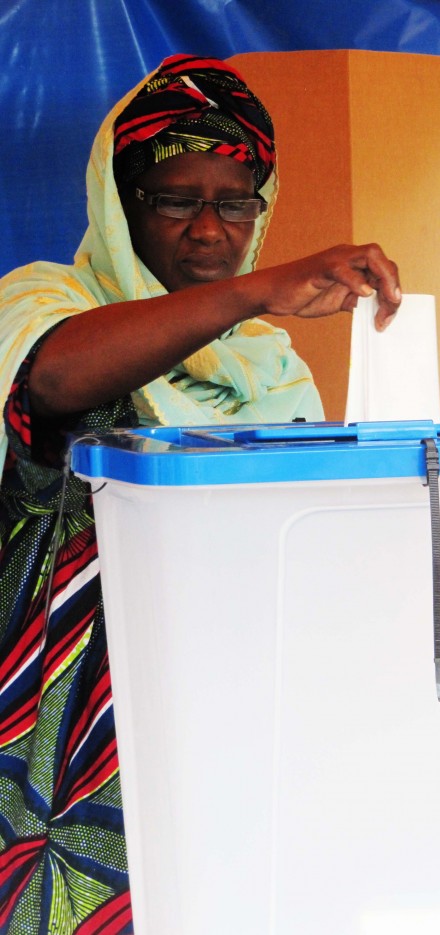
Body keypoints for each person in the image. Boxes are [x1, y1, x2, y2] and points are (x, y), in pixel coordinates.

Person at [0, 54, 401, 933]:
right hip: (63, 724)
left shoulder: (271, 364)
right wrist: (251, 292)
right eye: (176, 200)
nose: (210, 231)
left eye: (236, 203)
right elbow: (53, 378)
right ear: (121, 200)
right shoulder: (44, 298)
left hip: (228, 700)